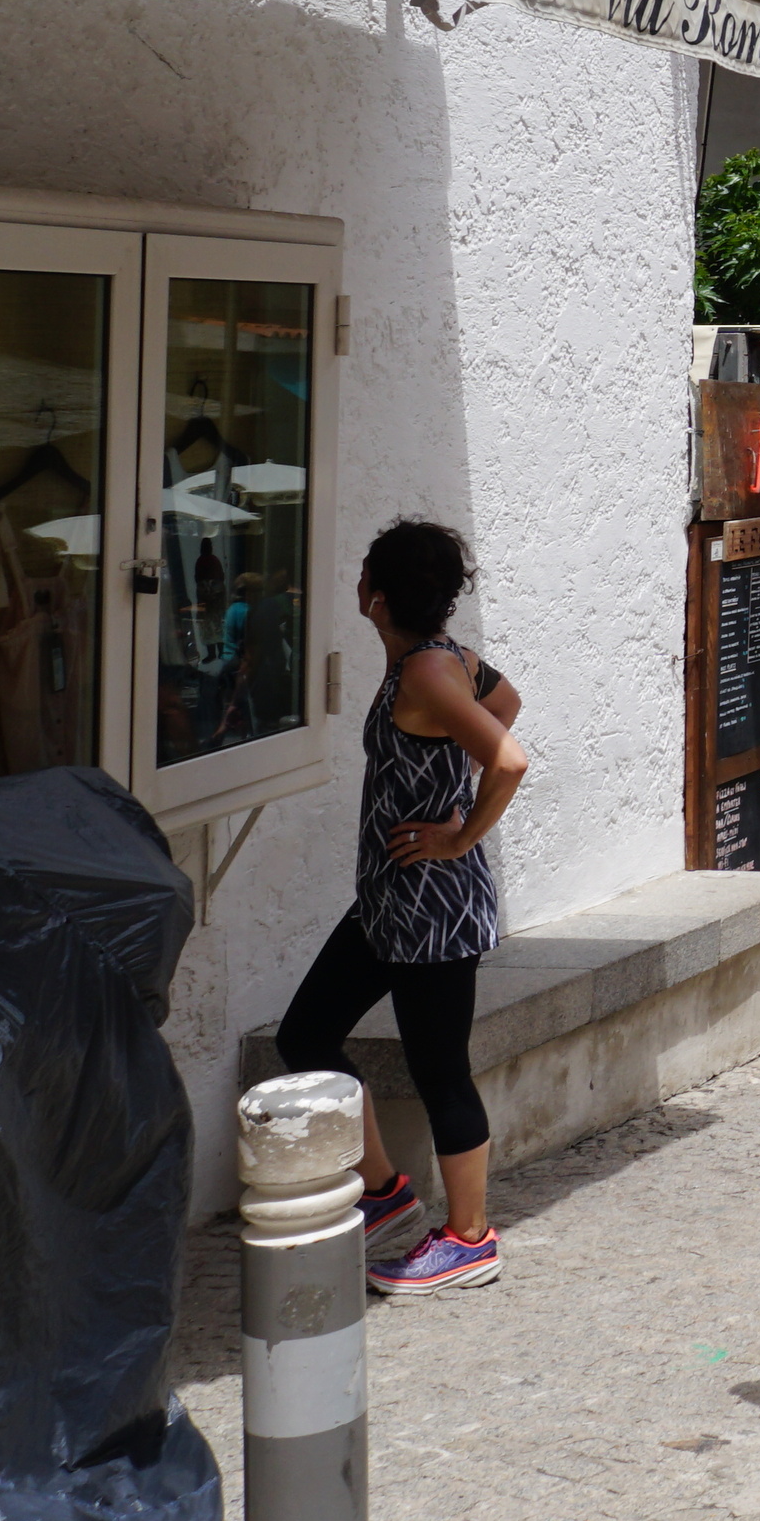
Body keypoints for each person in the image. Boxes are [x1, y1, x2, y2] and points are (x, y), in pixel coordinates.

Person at [274, 519, 531, 1298]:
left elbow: (509, 757)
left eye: (362, 577)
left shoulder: (427, 675)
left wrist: (457, 835)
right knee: (306, 1034)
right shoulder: (443, 663)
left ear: (377, 598)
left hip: (433, 912)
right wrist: (450, 782)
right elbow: (507, 702)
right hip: (388, 902)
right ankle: (385, 1188)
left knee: (439, 1072)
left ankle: (469, 1238)